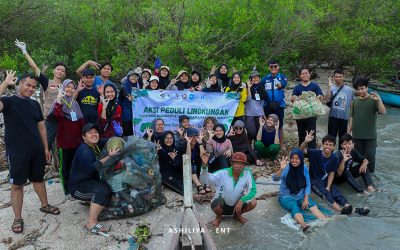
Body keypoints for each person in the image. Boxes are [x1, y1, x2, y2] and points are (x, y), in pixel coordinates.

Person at [0, 71, 60, 234]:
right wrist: (5, 83)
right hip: (17, 152)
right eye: (27, 85)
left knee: (38, 179)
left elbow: (41, 126)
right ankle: (17, 218)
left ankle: (44, 205)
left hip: (36, 149)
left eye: (33, 87)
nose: (31, 89)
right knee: (17, 185)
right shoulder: (8, 101)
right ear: (19, 84)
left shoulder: (34, 104)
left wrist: (46, 148)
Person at [15, 39, 67, 166]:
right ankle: (37, 166)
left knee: (65, 145)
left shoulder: (68, 86)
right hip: (51, 118)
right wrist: (24, 51)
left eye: (63, 70)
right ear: (54, 71)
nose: (60, 71)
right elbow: (34, 67)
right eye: (58, 69)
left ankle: (61, 166)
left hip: (64, 118)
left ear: (65, 74)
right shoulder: (47, 82)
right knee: (44, 144)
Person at [300, 132, 369, 215]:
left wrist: (329, 186)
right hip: (314, 181)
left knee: (336, 192)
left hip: (326, 180)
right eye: (326, 144)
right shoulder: (315, 153)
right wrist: (305, 142)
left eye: (330, 145)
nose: (328, 147)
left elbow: (332, 173)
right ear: (322, 145)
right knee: (325, 194)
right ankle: (340, 210)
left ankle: (349, 207)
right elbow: (300, 150)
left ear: (333, 147)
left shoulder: (334, 158)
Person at [69, 123, 119, 235]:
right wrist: (109, 156)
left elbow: (109, 140)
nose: (94, 134)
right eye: (90, 133)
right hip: (77, 187)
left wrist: (118, 139)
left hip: (89, 181)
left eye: (95, 132)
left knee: (108, 187)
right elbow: (92, 169)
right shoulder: (84, 150)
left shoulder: (95, 144)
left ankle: (92, 202)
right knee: (103, 191)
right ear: (83, 137)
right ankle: (91, 222)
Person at [272, 149, 328, 233]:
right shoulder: (286, 168)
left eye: (297, 158)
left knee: (312, 206)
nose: (294, 160)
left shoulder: (304, 167)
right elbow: (274, 178)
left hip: (300, 195)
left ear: (301, 159)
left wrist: (306, 199)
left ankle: (326, 222)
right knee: (294, 207)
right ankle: (304, 225)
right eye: (293, 158)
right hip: (286, 196)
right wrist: (281, 169)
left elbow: (308, 184)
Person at [200, 152, 257, 227]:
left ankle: (237, 215)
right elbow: (205, 180)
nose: (239, 166)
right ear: (232, 163)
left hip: (237, 206)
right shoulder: (222, 173)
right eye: (236, 163)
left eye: (242, 164)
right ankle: (219, 217)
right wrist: (204, 166)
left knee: (253, 202)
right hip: (222, 205)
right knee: (216, 203)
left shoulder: (247, 173)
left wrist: (241, 201)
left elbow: (253, 190)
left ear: (244, 165)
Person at [49, 79, 85, 195]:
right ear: (63, 88)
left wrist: (84, 136)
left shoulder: (74, 102)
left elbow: (80, 120)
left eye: (72, 87)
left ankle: (76, 186)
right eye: (67, 87)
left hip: (77, 140)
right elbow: (56, 115)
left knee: (76, 165)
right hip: (64, 141)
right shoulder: (58, 102)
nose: (69, 89)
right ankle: (67, 190)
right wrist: (59, 98)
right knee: (65, 166)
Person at [348, 76, 386, 173]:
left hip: (370, 136)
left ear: (367, 88)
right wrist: (348, 133)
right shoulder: (355, 101)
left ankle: (371, 179)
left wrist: (379, 100)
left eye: (362, 88)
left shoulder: (373, 99)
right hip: (356, 136)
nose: (360, 91)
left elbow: (383, 112)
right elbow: (352, 117)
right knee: (358, 158)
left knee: (370, 159)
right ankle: (361, 176)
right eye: (358, 89)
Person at [291, 67, 324, 149]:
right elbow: (292, 99)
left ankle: (312, 152)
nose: (305, 75)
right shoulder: (297, 87)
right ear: (300, 76)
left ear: (309, 74)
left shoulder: (315, 86)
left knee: (312, 134)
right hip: (300, 115)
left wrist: (320, 97)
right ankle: (301, 153)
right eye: (303, 73)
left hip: (311, 116)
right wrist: (294, 98)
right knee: (301, 134)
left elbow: (321, 96)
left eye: (306, 73)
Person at [261, 60, 287, 149]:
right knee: (267, 124)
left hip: (279, 105)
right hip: (267, 105)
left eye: (275, 66)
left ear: (278, 67)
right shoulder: (264, 79)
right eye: (271, 67)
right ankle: (267, 142)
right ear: (268, 68)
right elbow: (262, 91)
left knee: (280, 125)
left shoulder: (282, 77)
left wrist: (277, 82)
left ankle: (281, 143)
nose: (273, 68)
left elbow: (282, 85)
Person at [325, 69, 353, 149]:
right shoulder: (332, 88)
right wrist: (329, 87)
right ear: (334, 77)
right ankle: (330, 155)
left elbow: (352, 106)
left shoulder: (349, 90)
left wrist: (351, 123)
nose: (338, 78)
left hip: (344, 118)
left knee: (343, 140)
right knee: (331, 139)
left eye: (340, 76)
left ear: (343, 77)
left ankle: (341, 157)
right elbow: (327, 99)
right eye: (336, 77)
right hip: (333, 117)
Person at [245, 70, 266, 144]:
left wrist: (264, 115)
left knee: (259, 132)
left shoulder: (262, 88)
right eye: (254, 78)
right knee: (250, 132)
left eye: (257, 77)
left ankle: (257, 150)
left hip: (259, 113)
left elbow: (263, 102)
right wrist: (248, 88)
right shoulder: (247, 87)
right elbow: (247, 99)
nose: (256, 79)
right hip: (249, 113)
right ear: (250, 79)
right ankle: (249, 149)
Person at [118, 69, 141, 136]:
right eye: (132, 76)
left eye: (135, 76)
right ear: (128, 77)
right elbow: (125, 92)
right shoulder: (124, 86)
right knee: (126, 134)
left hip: (134, 116)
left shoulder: (138, 87)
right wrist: (129, 96)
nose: (134, 78)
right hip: (125, 117)